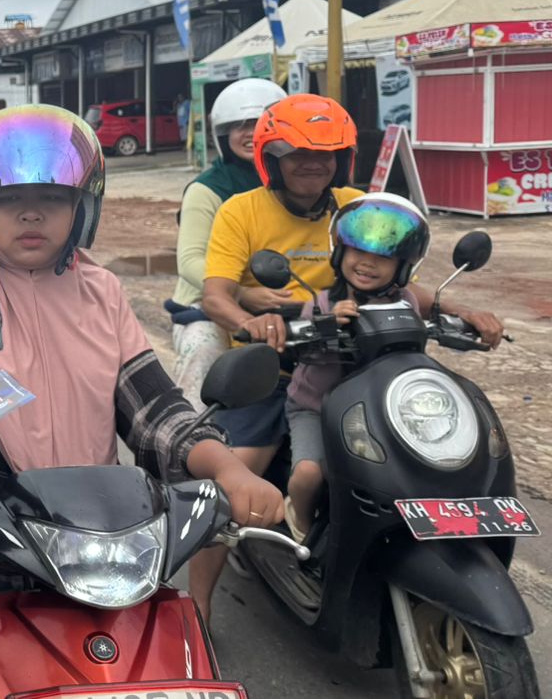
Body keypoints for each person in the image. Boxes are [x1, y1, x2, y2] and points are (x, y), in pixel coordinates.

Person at [0, 105, 284, 699]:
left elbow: (153, 405)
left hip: (96, 542)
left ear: (83, 206)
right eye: (10, 200)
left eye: (53, 199)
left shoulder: (102, 289)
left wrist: (228, 468)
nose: (31, 213)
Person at [186, 94, 502, 620]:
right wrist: (252, 324)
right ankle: (195, 611)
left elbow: (407, 283)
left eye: (327, 153)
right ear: (272, 158)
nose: (314, 162)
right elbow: (215, 293)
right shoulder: (241, 210)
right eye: (299, 152)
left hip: (368, 366)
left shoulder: (358, 205)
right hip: (278, 365)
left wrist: (462, 309)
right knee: (231, 485)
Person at [282, 193, 503, 539]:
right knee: (308, 474)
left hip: (386, 407)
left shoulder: (408, 301)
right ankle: (302, 523)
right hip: (317, 407)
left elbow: (433, 317)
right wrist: (328, 321)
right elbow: (306, 328)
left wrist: (466, 320)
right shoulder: (323, 301)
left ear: (404, 265)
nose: (368, 263)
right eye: (358, 251)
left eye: (384, 256)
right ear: (339, 252)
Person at [165, 79, 285, 401]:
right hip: (208, 304)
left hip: (280, 299)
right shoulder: (208, 189)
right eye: (239, 127)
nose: (250, 133)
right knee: (204, 348)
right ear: (223, 136)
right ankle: (188, 439)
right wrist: (240, 291)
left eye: (259, 125)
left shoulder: (292, 181)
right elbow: (190, 260)